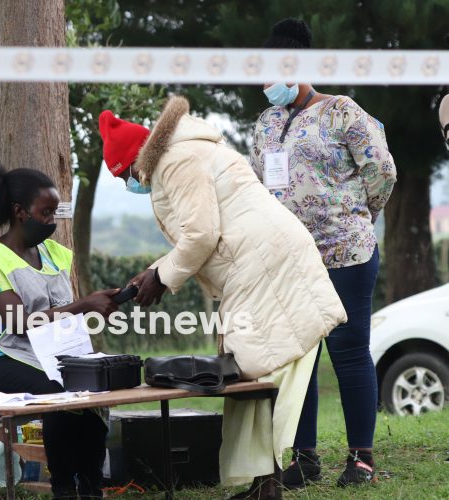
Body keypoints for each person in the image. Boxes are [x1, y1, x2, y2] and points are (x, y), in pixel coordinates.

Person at [98, 97, 347, 499]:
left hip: (264, 263)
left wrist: (160, 276)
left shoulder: (175, 161)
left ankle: (268, 485)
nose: (129, 184)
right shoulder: (185, 152)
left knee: (255, 370)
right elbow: (202, 232)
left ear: (134, 163)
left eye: (124, 176)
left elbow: (201, 235)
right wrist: (153, 273)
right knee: (249, 370)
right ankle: (264, 483)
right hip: (259, 260)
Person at [251, 18, 397, 489]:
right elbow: (258, 184)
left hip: (346, 253)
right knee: (301, 358)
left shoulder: (342, 112)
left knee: (348, 351)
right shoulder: (267, 123)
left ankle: (361, 459)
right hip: (292, 259)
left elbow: (382, 173)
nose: (266, 81)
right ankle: (304, 458)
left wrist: (357, 216)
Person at [0, 163, 120, 499]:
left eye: (54, 212)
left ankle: (91, 486)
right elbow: (19, 323)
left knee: (91, 387)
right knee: (60, 391)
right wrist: (84, 305)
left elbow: (64, 312)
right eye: (45, 212)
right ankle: (64, 488)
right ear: (20, 212)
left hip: (49, 356)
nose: (52, 221)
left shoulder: (53, 255)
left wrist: (97, 306)